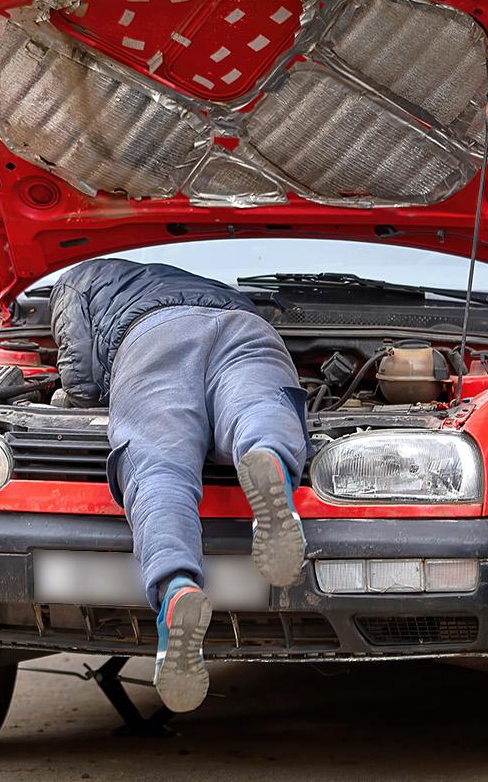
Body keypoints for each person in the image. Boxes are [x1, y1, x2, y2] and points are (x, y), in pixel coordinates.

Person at [50, 257, 308, 712]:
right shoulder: (213, 278)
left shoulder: (75, 279)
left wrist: (78, 397)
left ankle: (178, 590)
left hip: (155, 335)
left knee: (159, 468)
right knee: (258, 406)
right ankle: (269, 465)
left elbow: (80, 374)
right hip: (243, 325)